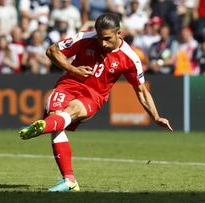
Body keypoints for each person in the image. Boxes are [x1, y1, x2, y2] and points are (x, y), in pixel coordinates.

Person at [19, 13, 173, 192]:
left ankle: (42, 127)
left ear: (119, 33)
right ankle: (69, 181)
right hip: (68, 84)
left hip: (93, 95)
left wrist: (155, 116)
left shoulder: (130, 58)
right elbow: (52, 50)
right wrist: (73, 69)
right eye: (100, 38)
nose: (102, 43)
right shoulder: (85, 37)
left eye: (107, 39)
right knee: (56, 120)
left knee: (72, 110)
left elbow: (141, 91)